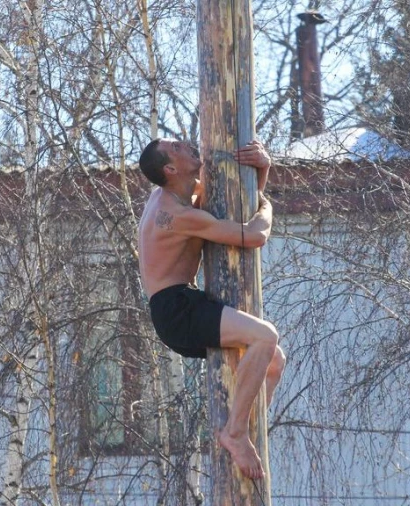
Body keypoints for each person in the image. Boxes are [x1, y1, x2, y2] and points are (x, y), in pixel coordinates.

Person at [137, 138, 286, 480]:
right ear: (170, 169)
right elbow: (254, 235)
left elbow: (235, 204)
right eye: (176, 147)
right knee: (266, 337)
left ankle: (245, 433)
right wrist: (267, 204)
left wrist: (262, 169)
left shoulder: (182, 194)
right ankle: (234, 433)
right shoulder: (173, 214)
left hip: (182, 303)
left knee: (274, 360)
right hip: (176, 310)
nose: (187, 143)